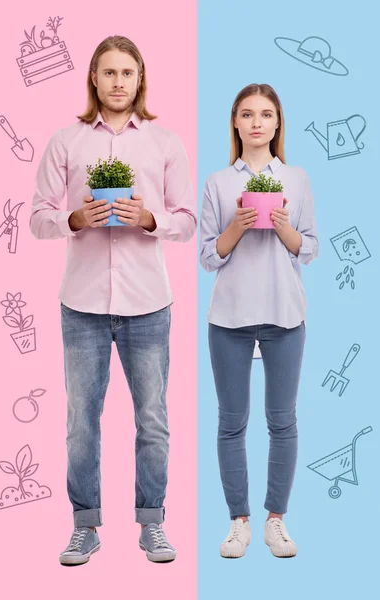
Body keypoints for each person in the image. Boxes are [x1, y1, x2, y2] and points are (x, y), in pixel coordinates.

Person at [30, 35, 196, 566]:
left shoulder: (166, 143)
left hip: (148, 302)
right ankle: (85, 526)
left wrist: (150, 220)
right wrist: (73, 219)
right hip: (80, 305)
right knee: (82, 418)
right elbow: (35, 217)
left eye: (128, 73)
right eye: (109, 73)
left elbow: (189, 220)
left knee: (153, 418)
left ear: (140, 78)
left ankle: (153, 524)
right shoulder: (66, 141)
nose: (118, 82)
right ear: (94, 79)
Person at [200, 83, 318, 559]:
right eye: (246, 114)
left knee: (282, 421)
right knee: (231, 423)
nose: (255, 122)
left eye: (265, 114)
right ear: (234, 122)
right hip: (229, 317)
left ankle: (275, 520)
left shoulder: (296, 178)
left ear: (277, 124)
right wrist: (236, 227)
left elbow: (308, 249)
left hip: (284, 314)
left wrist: (286, 228)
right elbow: (208, 257)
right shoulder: (218, 183)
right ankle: (238, 522)